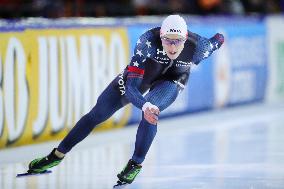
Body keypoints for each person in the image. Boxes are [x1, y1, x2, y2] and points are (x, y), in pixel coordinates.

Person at [28, 15, 224, 184]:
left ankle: (135, 163)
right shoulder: (146, 41)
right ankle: (57, 155)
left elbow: (218, 40)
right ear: (161, 37)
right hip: (141, 78)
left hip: (173, 80)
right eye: (167, 40)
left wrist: (220, 37)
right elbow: (131, 88)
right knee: (98, 113)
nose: (172, 47)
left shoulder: (200, 47)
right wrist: (143, 104)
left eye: (177, 41)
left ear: (186, 38)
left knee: (152, 111)